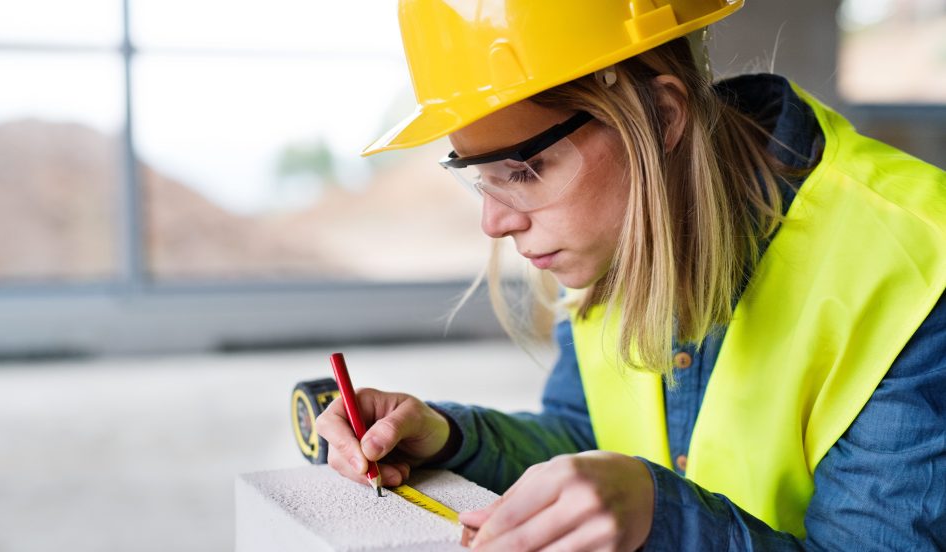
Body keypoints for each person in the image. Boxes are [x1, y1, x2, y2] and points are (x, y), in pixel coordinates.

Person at [316, 1, 946, 550]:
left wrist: (659, 516)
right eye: (479, 175)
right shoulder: (617, 223)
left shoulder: (915, 262)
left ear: (663, 117)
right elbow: (586, 437)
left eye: (525, 170)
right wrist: (451, 438)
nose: (494, 222)